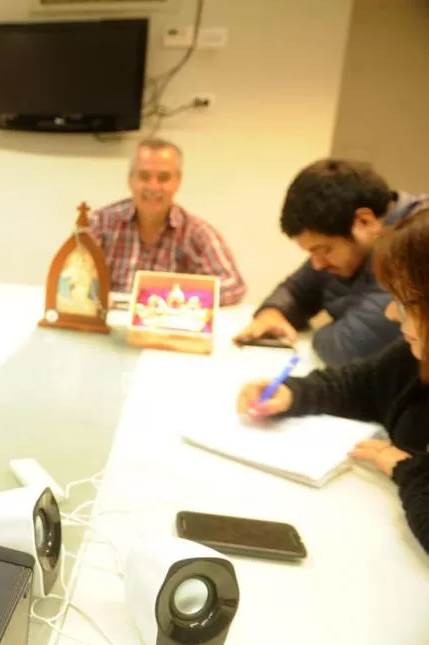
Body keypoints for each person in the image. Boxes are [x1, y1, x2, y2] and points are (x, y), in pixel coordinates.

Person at [236, 204, 429, 553]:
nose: (390, 313)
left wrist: (406, 468)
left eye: (402, 303)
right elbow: (360, 384)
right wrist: (294, 393)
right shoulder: (412, 359)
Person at [234, 159, 428, 366]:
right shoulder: (351, 242)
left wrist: (324, 325)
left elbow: (349, 347)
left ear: (364, 222)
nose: (317, 265)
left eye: (324, 250)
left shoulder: (415, 245)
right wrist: (272, 313)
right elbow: (296, 290)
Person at [88, 138, 247, 306]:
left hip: (165, 324)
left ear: (177, 182)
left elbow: (233, 285)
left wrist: (174, 298)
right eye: (144, 176)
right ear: (130, 180)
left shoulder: (196, 232)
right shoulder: (101, 223)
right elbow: (70, 277)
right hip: (108, 323)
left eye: (163, 178)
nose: (153, 187)